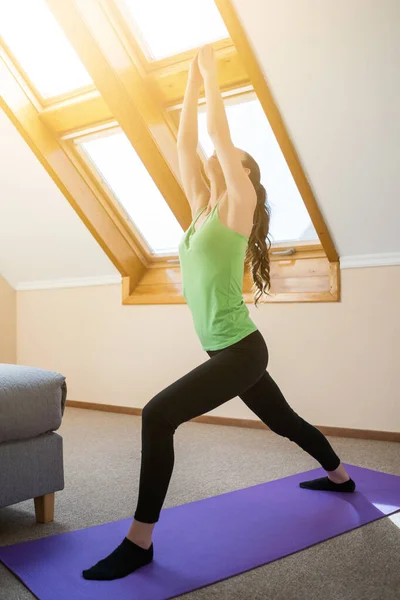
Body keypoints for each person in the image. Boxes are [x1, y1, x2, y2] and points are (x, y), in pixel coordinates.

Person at [82, 45, 355, 582]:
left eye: (236, 165)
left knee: (158, 414)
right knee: (284, 421)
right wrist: (187, 80)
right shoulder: (201, 209)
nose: (222, 162)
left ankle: (139, 541)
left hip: (240, 350)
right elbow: (186, 142)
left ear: (245, 179)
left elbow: (218, 142)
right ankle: (341, 476)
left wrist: (211, 78)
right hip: (228, 348)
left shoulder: (237, 206)